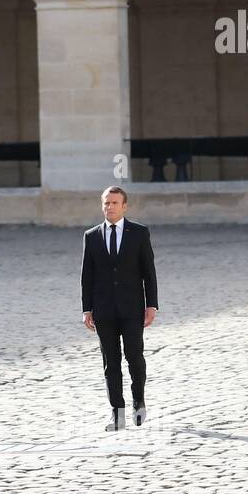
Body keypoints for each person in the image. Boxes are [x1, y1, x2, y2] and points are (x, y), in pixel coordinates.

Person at [81, 185, 159, 431]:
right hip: (104, 310)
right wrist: (87, 309)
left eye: (114, 203)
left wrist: (152, 305)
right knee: (110, 362)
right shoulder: (91, 236)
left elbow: (149, 272)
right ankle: (117, 412)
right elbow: (87, 276)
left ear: (124, 206)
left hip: (132, 308)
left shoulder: (139, 233)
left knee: (134, 356)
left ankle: (139, 401)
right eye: (106, 203)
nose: (109, 207)